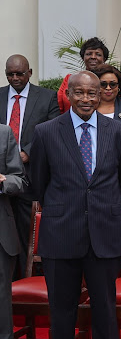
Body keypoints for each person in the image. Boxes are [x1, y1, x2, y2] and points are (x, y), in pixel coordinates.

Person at [30, 71, 121, 339]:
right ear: (70, 94)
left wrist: (105, 209)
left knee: (105, 307)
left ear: (102, 95)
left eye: (93, 93)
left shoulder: (118, 132)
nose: (88, 98)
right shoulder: (46, 132)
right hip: (61, 234)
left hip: (105, 233)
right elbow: (38, 183)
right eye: (80, 93)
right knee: (61, 309)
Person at [2, 54, 59, 277]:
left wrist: (27, 152)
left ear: (30, 73)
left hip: (31, 175)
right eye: (10, 74)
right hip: (1, 178)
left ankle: (30, 277)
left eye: (20, 73)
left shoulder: (47, 97)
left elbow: (53, 130)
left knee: (28, 231)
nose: (15, 78)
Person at [0, 124, 28, 339]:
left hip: (1, 236)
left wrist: (2, 181)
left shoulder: (3, 134)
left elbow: (19, 180)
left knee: (2, 309)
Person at [57, 37, 121, 113]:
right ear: (83, 58)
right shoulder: (70, 79)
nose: (93, 57)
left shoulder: (113, 81)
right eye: (89, 54)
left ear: (104, 58)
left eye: (98, 54)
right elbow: (58, 106)